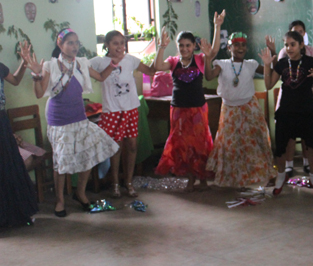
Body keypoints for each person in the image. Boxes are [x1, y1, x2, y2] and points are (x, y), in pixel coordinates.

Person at [22, 29, 119, 217]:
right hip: (59, 120)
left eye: (76, 42)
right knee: (61, 162)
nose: (75, 46)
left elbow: (100, 77)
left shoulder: (81, 63)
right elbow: (39, 93)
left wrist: (114, 62)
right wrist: (36, 74)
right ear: (60, 44)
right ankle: (60, 200)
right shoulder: (50, 66)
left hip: (79, 117)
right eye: (70, 43)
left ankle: (80, 193)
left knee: (88, 154)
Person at [205, 13, 275, 188]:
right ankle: (233, 177)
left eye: (243, 45)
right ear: (229, 47)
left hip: (250, 108)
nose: (241, 48)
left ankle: (265, 173)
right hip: (229, 109)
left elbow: (271, 70)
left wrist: (272, 54)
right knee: (231, 144)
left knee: (258, 139)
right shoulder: (222, 64)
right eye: (236, 45)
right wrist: (207, 58)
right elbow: (208, 76)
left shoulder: (251, 64)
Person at [90, 30, 157, 198]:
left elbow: (150, 71)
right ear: (107, 45)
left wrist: (161, 47)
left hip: (130, 109)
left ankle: (128, 182)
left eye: (122, 43)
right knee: (116, 147)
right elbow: (82, 68)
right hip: (112, 111)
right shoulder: (99, 61)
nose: (119, 47)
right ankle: (115, 184)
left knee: (132, 145)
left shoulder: (130, 60)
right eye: (115, 43)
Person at [154, 25, 218, 191]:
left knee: (200, 143)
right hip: (178, 108)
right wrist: (161, 47)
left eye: (188, 45)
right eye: (181, 45)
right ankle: (190, 177)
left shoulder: (200, 59)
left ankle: (202, 177)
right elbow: (158, 66)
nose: (184, 48)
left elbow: (214, 51)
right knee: (183, 144)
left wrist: (217, 27)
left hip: (198, 107)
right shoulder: (173, 61)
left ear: (194, 46)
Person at [260, 31, 313, 195]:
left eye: (292, 44)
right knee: (282, 146)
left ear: (301, 45)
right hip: (286, 110)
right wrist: (266, 65)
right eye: (286, 45)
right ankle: (281, 177)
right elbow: (268, 85)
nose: (289, 48)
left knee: (312, 145)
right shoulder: (281, 63)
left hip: (306, 110)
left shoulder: (310, 62)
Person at [268, 20, 313, 176]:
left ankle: (309, 166)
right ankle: (288, 166)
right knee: (288, 136)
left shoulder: (311, 53)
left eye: (300, 32)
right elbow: (276, 72)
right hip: (287, 101)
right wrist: (271, 56)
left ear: (303, 37)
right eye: (287, 44)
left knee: (308, 136)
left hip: (306, 99)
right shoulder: (283, 54)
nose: (289, 47)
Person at [0, 42, 39, 227]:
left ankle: (14, 214)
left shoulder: (0, 67)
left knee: (10, 166)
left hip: (1, 121)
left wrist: (24, 62)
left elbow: (15, 80)